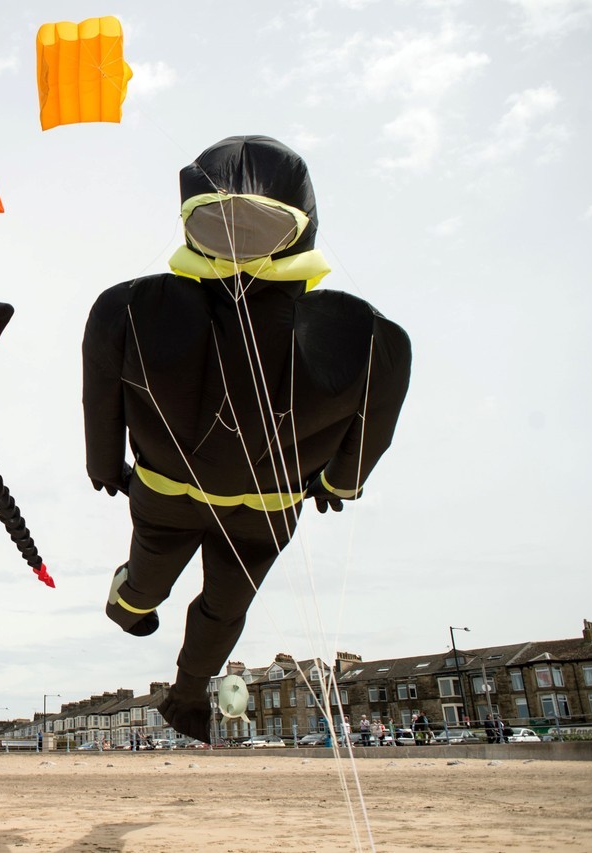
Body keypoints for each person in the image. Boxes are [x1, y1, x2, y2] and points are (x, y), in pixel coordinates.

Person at [83, 135, 412, 744]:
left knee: (151, 581)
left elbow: (101, 401)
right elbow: (370, 435)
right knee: (225, 605)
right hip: (266, 507)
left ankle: (136, 614)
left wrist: (104, 466)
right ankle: (184, 687)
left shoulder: (124, 308)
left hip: (167, 491)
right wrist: (341, 481)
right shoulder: (371, 338)